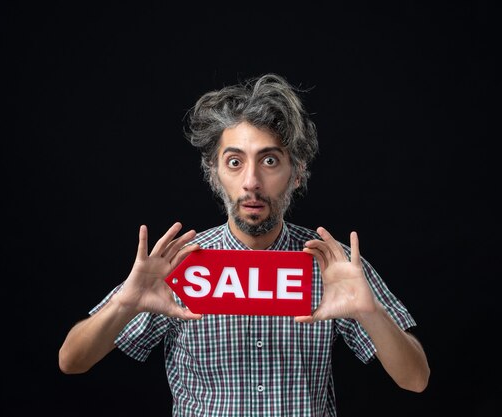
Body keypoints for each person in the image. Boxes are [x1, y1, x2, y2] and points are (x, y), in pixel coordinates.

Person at [58, 73, 430, 416]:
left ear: (297, 172)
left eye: (269, 160)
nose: (251, 181)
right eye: (234, 162)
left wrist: (371, 314)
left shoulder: (334, 266)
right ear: (214, 174)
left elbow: (416, 379)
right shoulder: (177, 265)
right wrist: (124, 304)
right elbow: (71, 360)